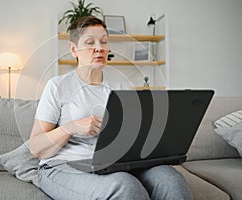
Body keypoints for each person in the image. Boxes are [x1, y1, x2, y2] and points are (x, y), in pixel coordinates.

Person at [29, 16, 193, 200]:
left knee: (171, 179)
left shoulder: (121, 84)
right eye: (90, 42)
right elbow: (36, 148)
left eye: (104, 41)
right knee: (126, 187)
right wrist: (71, 127)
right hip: (63, 165)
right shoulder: (57, 86)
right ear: (74, 49)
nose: (99, 47)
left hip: (115, 163)